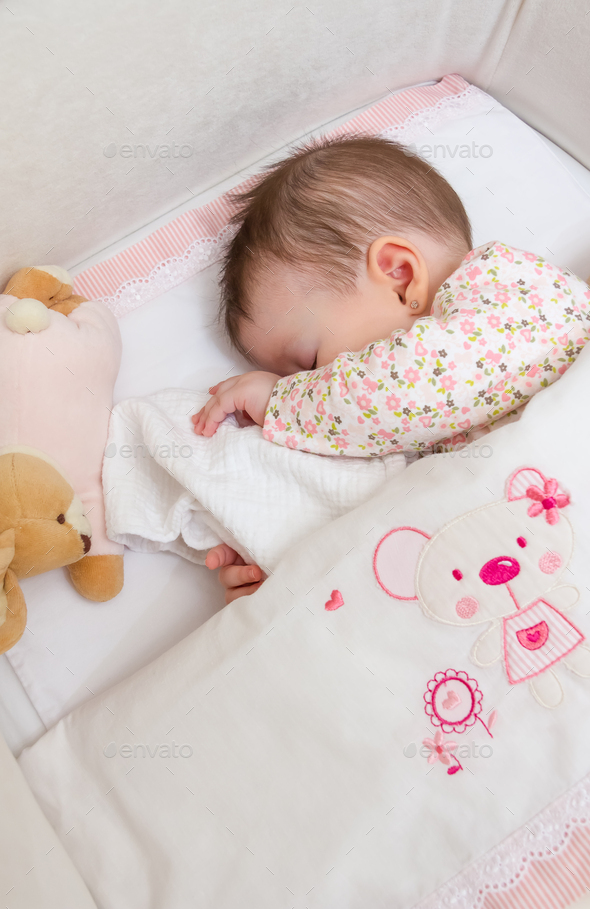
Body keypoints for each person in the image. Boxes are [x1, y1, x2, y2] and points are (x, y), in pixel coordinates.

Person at [192, 135, 590, 601]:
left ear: (400, 276)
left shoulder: (510, 294)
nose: (314, 386)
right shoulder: (429, 425)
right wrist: (284, 561)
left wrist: (281, 402)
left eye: (310, 364)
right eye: (295, 380)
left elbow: (398, 394)